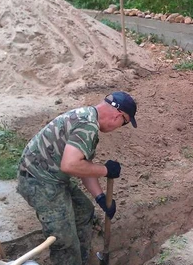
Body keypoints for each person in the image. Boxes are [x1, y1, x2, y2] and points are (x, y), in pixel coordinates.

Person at [16, 91, 137, 265]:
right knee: (64, 239)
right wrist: (105, 170)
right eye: (124, 123)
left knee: (83, 212)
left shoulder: (87, 117)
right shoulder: (87, 125)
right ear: (118, 116)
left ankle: (80, 260)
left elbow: (83, 166)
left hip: (52, 178)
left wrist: (100, 198)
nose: (119, 127)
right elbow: (70, 165)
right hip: (38, 181)